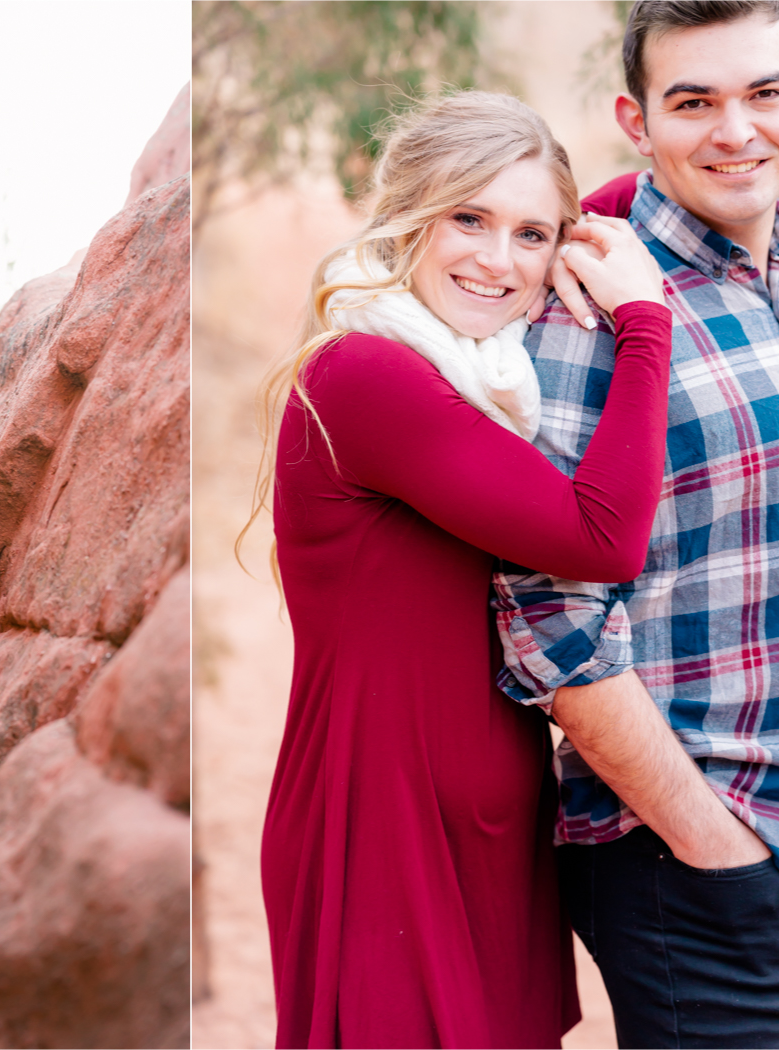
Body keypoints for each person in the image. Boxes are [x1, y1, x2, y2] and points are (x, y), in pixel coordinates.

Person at [493, 3, 779, 1047]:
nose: (736, 130)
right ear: (637, 120)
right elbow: (550, 619)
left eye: (763, 93)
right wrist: (711, 844)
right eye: (694, 102)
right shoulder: (587, 313)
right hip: (688, 859)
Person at [251, 91, 672, 1049]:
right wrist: (643, 322)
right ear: (409, 214)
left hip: (494, 825)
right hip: (379, 820)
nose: (499, 260)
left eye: (533, 235)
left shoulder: (477, 365)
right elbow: (601, 535)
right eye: (467, 219)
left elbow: (605, 210)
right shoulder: (367, 373)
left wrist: (642, 187)